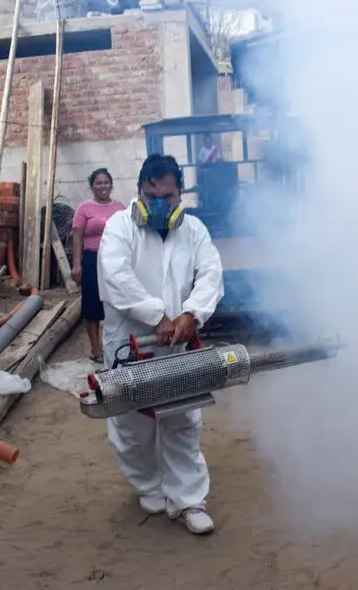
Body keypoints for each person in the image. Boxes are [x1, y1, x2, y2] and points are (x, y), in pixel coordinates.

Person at [98, 154, 224, 535]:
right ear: (139, 191)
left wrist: (192, 314)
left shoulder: (194, 230)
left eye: (166, 197)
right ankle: (150, 486)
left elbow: (211, 274)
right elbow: (115, 276)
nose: (157, 205)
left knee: (183, 419)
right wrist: (157, 316)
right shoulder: (119, 228)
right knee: (132, 426)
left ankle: (188, 500)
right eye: (150, 196)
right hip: (130, 345)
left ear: (179, 195)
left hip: (176, 347)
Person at [72, 168, 126, 362]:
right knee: (92, 303)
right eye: (98, 182)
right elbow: (77, 237)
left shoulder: (120, 207)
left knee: (118, 301)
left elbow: (128, 234)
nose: (103, 186)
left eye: (106, 182)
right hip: (92, 259)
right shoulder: (84, 208)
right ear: (92, 186)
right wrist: (77, 264)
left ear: (111, 185)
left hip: (116, 260)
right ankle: (96, 349)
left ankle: (118, 345)